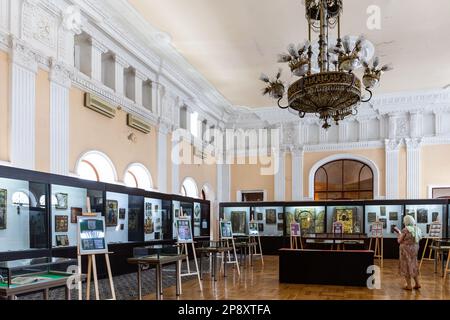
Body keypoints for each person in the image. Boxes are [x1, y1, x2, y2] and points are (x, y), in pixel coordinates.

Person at [394, 215, 422, 290]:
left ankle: (409, 285)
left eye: (404, 221)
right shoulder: (417, 229)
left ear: (406, 221)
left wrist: (399, 233)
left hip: (406, 250)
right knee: (413, 265)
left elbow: (399, 241)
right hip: (414, 250)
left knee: (406, 266)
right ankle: (417, 283)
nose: (403, 222)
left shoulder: (405, 230)